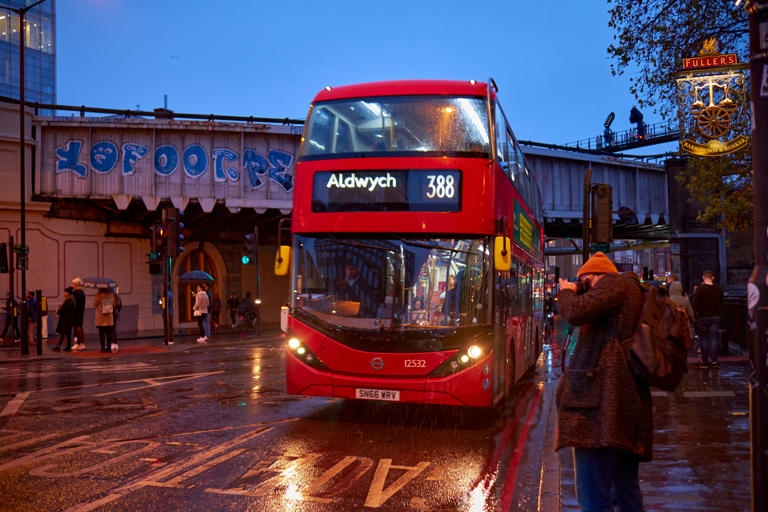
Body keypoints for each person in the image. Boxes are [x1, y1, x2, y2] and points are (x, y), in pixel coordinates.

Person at [556, 251, 650, 511]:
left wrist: (567, 291)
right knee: (625, 492)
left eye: (584, 281)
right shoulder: (628, 292)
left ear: (594, 276)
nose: (583, 287)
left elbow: (574, 312)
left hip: (599, 411)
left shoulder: (613, 284)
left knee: (593, 496)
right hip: (623, 406)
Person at [692, 270, 724, 369]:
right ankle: (714, 360)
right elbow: (721, 302)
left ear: (703, 278)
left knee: (703, 338)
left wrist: (697, 314)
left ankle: (704, 360)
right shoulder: (719, 289)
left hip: (702, 317)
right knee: (714, 338)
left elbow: (695, 304)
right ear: (712, 277)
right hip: (715, 316)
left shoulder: (700, 289)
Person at [93, 286, 116, 353]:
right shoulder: (112, 294)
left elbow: (94, 304)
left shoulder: (98, 295)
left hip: (101, 317)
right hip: (109, 317)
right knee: (109, 333)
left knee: (101, 333)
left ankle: (103, 348)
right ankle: (109, 348)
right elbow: (114, 304)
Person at [54, 287, 76, 352]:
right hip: (69, 318)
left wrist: (58, 312)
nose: (64, 293)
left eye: (65, 292)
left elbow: (63, 308)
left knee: (64, 332)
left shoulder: (69, 299)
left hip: (66, 318)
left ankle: (60, 345)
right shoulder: (72, 298)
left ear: (68, 292)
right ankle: (65, 346)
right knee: (66, 333)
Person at [71, 278, 87, 350]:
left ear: (76, 284)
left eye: (73, 284)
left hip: (76, 312)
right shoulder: (82, 292)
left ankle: (78, 343)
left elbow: (73, 304)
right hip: (80, 311)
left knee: (77, 327)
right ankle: (82, 344)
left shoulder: (76, 293)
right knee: (80, 327)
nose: (72, 285)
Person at [111, 286, 122, 351]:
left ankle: (113, 343)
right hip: (115, 313)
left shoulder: (112, 296)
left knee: (111, 329)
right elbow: (120, 306)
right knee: (113, 328)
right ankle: (115, 343)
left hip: (112, 313)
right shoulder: (117, 296)